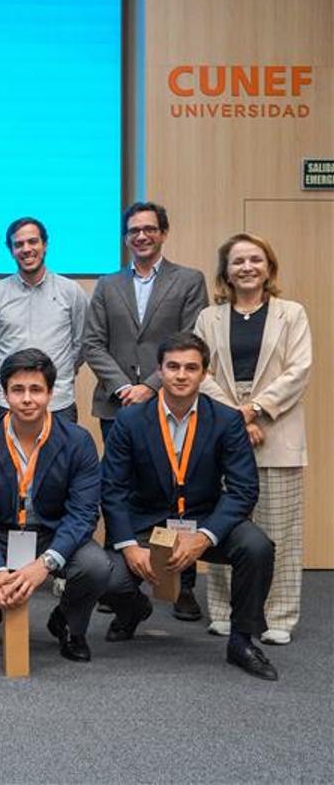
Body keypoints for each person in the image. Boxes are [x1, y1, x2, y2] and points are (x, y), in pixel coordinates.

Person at [98, 332, 278, 680]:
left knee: (257, 547)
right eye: (173, 367)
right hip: (147, 521)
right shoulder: (130, 420)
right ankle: (134, 611)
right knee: (106, 577)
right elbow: (113, 489)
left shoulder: (226, 420)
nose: (181, 375)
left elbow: (242, 489)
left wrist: (206, 536)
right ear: (160, 371)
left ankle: (242, 640)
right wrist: (129, 545)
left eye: (191, 368)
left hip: (204, 518)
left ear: (204, 374)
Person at [0, 349, 111, 663]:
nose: (27, 399)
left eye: (36, 390)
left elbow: (84, 513)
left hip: (51, 532)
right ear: (5, 394)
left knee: (97, 567)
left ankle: (69, 624)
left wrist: (44, 565)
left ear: (50, 394)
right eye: (18, 390)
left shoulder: (78, 441)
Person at [83, 201, 208, 620]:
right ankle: (119, 583)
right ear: (125, 237)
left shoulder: (189, 280)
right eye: (133, 230)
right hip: (116, 404)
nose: (141, 236)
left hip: (171, 398)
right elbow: (92, 343)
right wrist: (125, 388)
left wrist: (151, 386)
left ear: (163, 233)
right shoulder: (106, 285)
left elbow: (191, 340)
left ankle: (181, 585)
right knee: (119, 485)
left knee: (177, 488)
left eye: (149, 229)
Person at [193, 233, 311, 646]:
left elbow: (298, 371)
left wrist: (255, 410)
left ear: (269, 266)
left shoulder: (291, 314)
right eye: (237, 261)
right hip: (224, 434)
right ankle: (225, 611)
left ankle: (278, 616)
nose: (246, 267)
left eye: (255, 260)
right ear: (225, 271)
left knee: (279, 530)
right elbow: (199, 374)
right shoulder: (209, 318)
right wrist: (236, 418)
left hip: (276, 433)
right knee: (225, 527)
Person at [0, 217, 89, 422]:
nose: (26, 249)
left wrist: (59, 369)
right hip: (11, 403)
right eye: (18, 244)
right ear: (11, 250)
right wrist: (10, 366)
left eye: (33, 242)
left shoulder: (71, 292)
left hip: (59, 403)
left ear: (45, 245)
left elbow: (82, 344)